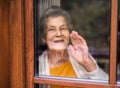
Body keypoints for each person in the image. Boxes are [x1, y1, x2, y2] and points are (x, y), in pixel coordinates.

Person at [38, 5, 108, 81]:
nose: (58, 34)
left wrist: (87, 63)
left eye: (63, 28)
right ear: (43, 38)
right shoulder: (37, 65)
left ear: (69, 34)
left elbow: (106, 83)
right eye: (51, 29)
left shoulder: (79, 55)